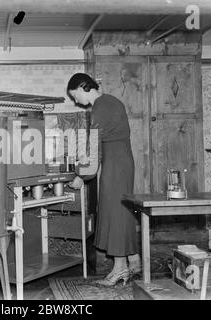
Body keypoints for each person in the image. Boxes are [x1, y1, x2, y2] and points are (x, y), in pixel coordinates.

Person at [66, 73, 141, 286]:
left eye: (74, 95)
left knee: (115, 212)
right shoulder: (112, 101)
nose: (75, 101)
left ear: (82, 88)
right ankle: (133, 261)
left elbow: (94, 148)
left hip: (115, 164)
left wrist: (81, 176)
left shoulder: (100, 106)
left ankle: (120, 269)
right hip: (121, 161)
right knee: (122, 211)